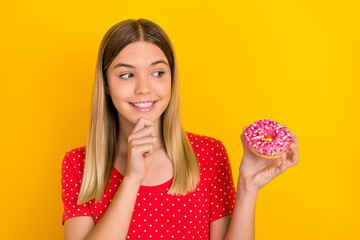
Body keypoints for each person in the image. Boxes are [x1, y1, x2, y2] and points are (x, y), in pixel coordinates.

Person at [61, 18, 299, 240]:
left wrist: (248, 186)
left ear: (172, 79)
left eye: (158, 73)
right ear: (106, 84)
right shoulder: (79, 165)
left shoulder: (209, 155)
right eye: (126, 74)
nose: (144, 88)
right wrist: (133, 178)